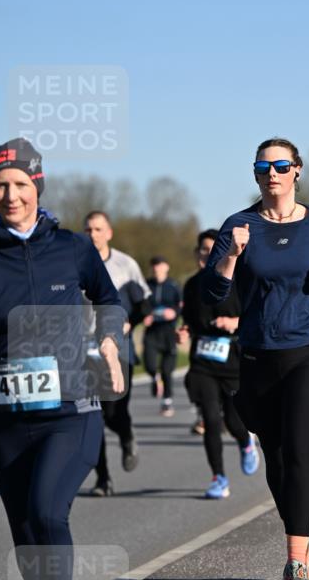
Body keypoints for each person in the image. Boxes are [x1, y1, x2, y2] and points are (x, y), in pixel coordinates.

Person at [0, 139, 125, 580]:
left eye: (19, 185)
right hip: (6, 419)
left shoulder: (72, 248)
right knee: (23, 529)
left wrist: (110, 344)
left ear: (37, 186)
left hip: (71, 411)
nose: (9, 195)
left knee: (46, 510)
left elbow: (109, 299)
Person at [202, 137, 309, 580]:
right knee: (275, 456)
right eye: (263, 166)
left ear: (297, 171)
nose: (273, 173)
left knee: (299, 447)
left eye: (281, 165)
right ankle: (302, 538)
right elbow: (212, 293)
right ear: (255, 174)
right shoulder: (238, 225)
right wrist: (231, 254)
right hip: (257, 355)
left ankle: (295, 563)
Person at [179, 229, 259, 499]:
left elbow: (257, 315)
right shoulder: (192, 285)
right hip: (203, 362)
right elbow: (189, 319)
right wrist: (185, 331)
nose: (206, 254)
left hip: (234, 359)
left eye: (212, 249)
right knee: (211, 420)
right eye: (202, 249)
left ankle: (246, 442)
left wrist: (234, 322)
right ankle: (219, 478)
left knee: (234, 422)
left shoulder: (240, 281)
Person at [84, 211, 151, 496]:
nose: (93, 235)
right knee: (94, 417)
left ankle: (126, 435)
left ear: (108, 232)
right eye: (88, 230)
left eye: (98, 229)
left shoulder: (126, 265)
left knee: (114, 412)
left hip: (118, 348)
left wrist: (129, 323)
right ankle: (103, 479)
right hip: (83, 348)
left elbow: (144, 305)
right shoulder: (73, 264)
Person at [143, 256, 182, 417]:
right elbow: (141, 305)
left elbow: (181, 306)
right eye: (154, 266)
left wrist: (174, 312)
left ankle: (167, 402)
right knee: (150, 364)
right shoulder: (146, 285)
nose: (157, 269)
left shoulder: (173, 286)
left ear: (167, 267)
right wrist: (146, 315)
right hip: (152, 332)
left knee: (167, 369)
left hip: (169, 332)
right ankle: (154, 377)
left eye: (160, 266)